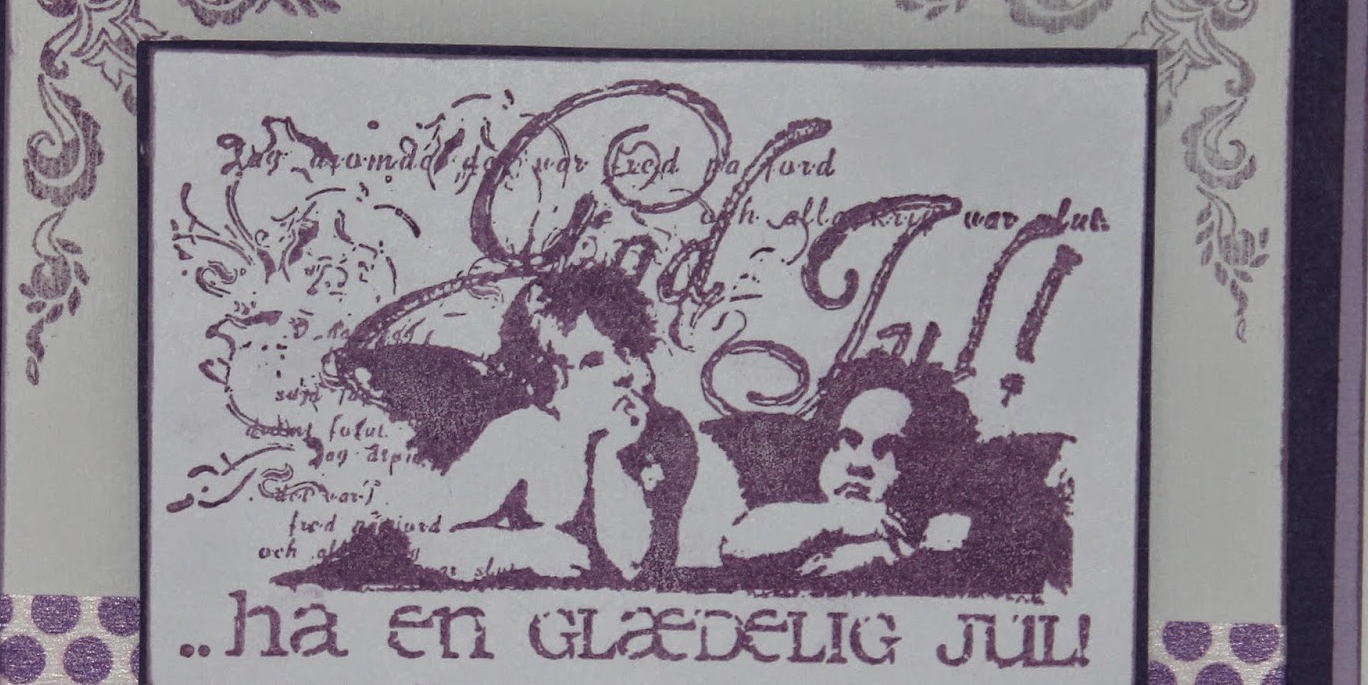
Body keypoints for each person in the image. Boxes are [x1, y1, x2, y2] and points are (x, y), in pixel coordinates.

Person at [402, 263, 670, 583]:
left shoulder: (637, 437)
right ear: (548, 376)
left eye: (626, 352)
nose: (622, 372)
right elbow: (425, 544)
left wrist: (611, 455)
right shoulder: (520, 434)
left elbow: (631, 563)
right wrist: (523, 550)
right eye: (592, 361)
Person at [720, 382, 969, 577]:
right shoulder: (807, 525)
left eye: (885, 448)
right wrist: (841, 518)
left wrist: (879, 553)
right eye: (848, 441)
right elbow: (737, 545)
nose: (859, 464)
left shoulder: (948, 529)